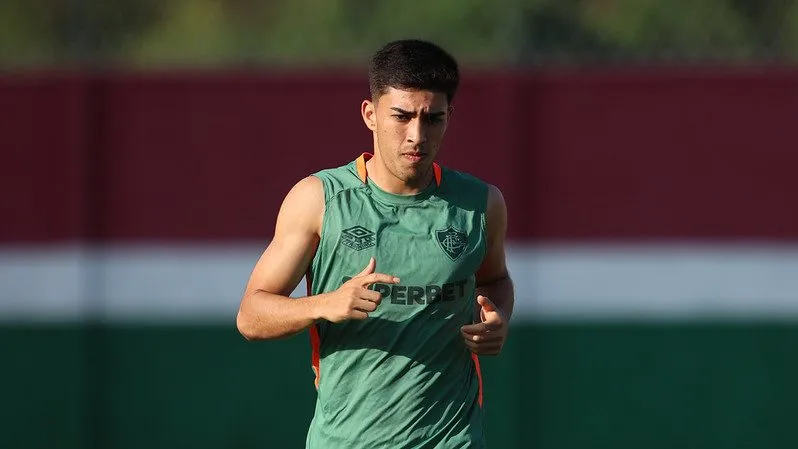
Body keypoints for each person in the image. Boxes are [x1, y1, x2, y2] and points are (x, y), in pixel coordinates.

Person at [236, 39, 514, 449]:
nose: (416, 135)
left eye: (432, 119)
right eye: (401, 116)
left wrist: (498, 320)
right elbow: (251, 316)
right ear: (370, 114)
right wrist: (323, 305)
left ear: (449, 117)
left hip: (453, 438)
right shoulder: (319, 200)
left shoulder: (481, 204)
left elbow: (496, 280)